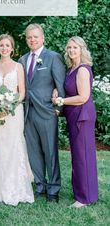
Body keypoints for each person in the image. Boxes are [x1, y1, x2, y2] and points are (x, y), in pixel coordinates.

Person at [0, 34, 34, 206]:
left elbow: (21, 92)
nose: (4, 48)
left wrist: (9, 107)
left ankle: (16, 186)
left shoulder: (18, 66)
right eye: (1, 45)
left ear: (12, 48)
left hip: (14, 113)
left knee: (14, 145)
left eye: (7, 45)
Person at [19, 23, 65, 203]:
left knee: (50, 152)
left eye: (35, 37)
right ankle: (40, 185)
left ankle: (53, 189)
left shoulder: (53, 57)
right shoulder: (22, 60)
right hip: (28, 112)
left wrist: (58, 109)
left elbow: (60, 84)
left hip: (47, 112)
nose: (32, 40)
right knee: (34, 152)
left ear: (42, 38)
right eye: (29, 37)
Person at [53, 36, 98, 208]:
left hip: (82, 117)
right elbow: (68, 88)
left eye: (75, 47)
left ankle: (84, 198)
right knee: (79, 156)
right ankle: (85, 193)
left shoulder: (82, 70)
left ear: (82, 49)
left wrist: (62, 101)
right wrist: (58, 92)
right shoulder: (72, 68)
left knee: (82, 156)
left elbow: (83, 97)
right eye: (69, 47)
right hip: (74, 116)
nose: (71, 50)